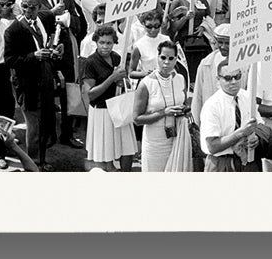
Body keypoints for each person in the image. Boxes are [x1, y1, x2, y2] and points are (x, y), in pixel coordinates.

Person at [4, 0, 62, 169]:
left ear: (40, 7)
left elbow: (53, 40)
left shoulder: (44, 19)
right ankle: (33, 164)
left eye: (33, 7)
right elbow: (10, 60)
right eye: (25, 7)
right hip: (27, 83)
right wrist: (33, 56)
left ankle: (42, 159)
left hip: (45, 78)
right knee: (33, 127)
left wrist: (56, 51)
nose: (29, 11)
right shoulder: (13, 30)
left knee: (46, 121)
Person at [81, 24, 137, 172]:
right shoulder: (90, 62)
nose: (105, 46)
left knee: (128, 148)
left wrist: (122, 81)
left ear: (114, 43)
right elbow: (90, 94)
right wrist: (112, 78)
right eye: (102, 42)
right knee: (105, 156)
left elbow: (122, 82)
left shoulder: (117, 57)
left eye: (109, 43)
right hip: (101, 112)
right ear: (96, 42)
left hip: (118, 107)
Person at [133, 40, 192, 172]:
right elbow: (136, 119)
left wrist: (185, 109)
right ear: (157, 57)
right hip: (155, 142)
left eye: (171, 58)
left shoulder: (180, 79)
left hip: (177, 138)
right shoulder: (146, 84)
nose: (166, 62)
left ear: (176, 59)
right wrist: (164, 112)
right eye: (163, 57)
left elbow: (184, 101)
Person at [199, 59, 259, 172]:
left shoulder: (247, 97)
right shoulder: (212, 105)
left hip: (248, 160)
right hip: (221, 162)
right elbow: (213, 146)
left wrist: (256, 138)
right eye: (227, 78)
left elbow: (260, 126)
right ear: (218, 79)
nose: (233, 81)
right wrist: (240, 133)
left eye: (237, 76)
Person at [190, 23, 230, 120]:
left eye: (227, 43)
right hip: (211, 118)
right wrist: (196, 124)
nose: (223, 46)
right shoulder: (206, 64)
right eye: (220, 42)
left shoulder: (245, 66)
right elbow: (197, 97)